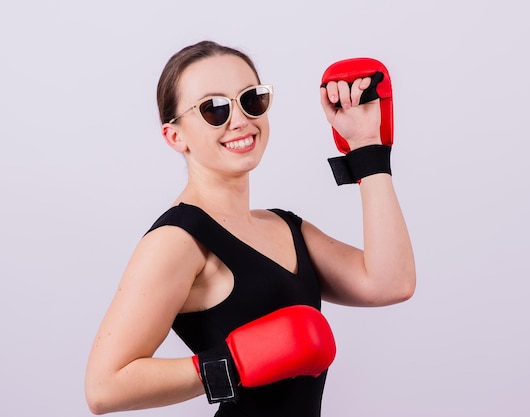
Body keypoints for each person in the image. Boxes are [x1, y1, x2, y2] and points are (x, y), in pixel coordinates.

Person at [84, 40, 416, 417]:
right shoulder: (177, 240)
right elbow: (103, 387)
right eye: (214, 109)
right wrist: (237, 361)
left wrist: (366, 147)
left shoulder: (285, 226)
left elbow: (392, 282)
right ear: (175, 136)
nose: (240, 119)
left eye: (250, 99)